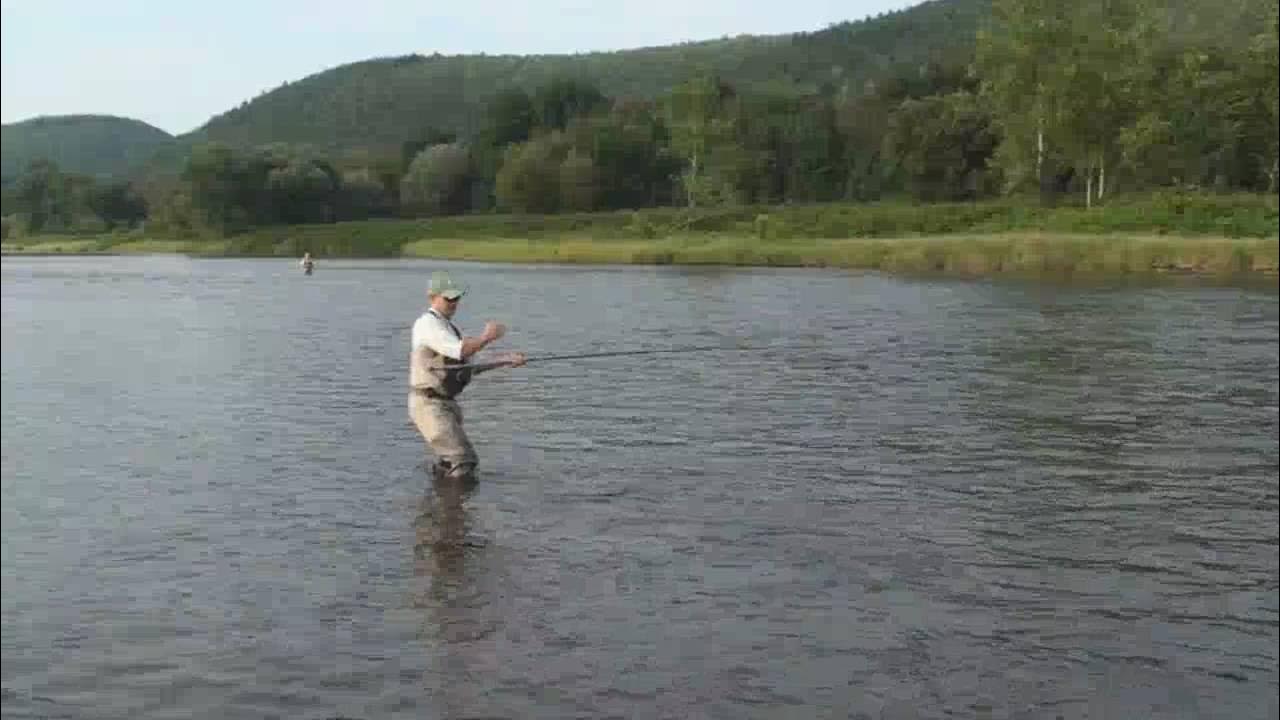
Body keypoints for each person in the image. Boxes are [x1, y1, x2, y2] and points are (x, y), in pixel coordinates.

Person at [408, 270, 525, 480]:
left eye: (457, 298)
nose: (454, 302)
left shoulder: (449, 328)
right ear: (432, 297)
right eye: (448, 298)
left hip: (444, 405)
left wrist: (505, 360)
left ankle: (438, 504)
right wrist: (487, 337)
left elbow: (468, 367)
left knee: (453, 462)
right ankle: (450, 510)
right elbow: (462, 351)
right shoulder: (428, 324)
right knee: (463, 459)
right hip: (428, 404)